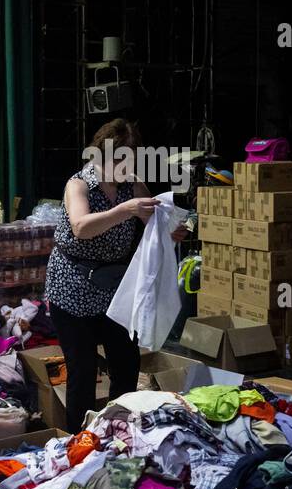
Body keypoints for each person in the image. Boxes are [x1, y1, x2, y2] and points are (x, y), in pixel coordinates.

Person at [44, 119, 188, 432]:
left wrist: (169, 230)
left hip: (114, 290)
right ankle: (78, 439)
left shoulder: (133, 186)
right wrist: (127, 210)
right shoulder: (78, 185)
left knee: (126, 364)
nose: (121, 166)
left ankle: (118, 430)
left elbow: (153, 221)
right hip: (72, 289)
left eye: (128, 159)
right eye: (115, 158)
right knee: (81, 371)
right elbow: (81, 227)